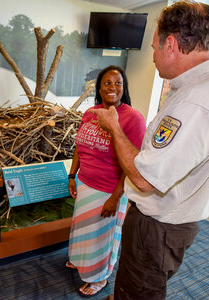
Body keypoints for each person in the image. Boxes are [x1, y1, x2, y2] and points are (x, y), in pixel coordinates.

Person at [90, 1, 209, 299]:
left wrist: (115, 128)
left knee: (141, 288)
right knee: (134, 281)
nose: (154, 56)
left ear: (170, 44)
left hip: (158, 225)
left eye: (154, 47)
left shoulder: (197, 102)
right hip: (164, 220)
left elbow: (146, 179)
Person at [67, 65, 146, 297]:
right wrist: (72, 176)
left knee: (101, 238)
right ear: (99, 88)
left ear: (124, 88)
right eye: (107, 83)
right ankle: (82, 262)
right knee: (83, 232)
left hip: (109, 191)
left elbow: (132, 162)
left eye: (118, 83)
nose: (112, 87)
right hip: (84, 185)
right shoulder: (91, 113)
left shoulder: (133, 118)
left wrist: (115, 197)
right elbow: (79, 147)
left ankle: (99, 277)